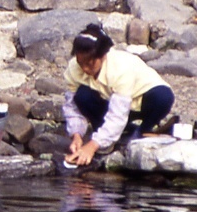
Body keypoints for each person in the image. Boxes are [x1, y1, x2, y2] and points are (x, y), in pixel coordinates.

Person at [63, 23, 175, 166]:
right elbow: (72, 106)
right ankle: (105, 135)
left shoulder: (120, 68)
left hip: (141, 103)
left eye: (90, 64)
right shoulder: (74, 69)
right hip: (108, 102)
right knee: (82, 95)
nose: (85, 69)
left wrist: (91, 146)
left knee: (163, 97)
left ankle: (142, 130)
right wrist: (76, 135)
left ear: (102, 56)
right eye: (81, 63)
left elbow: (118, 114)